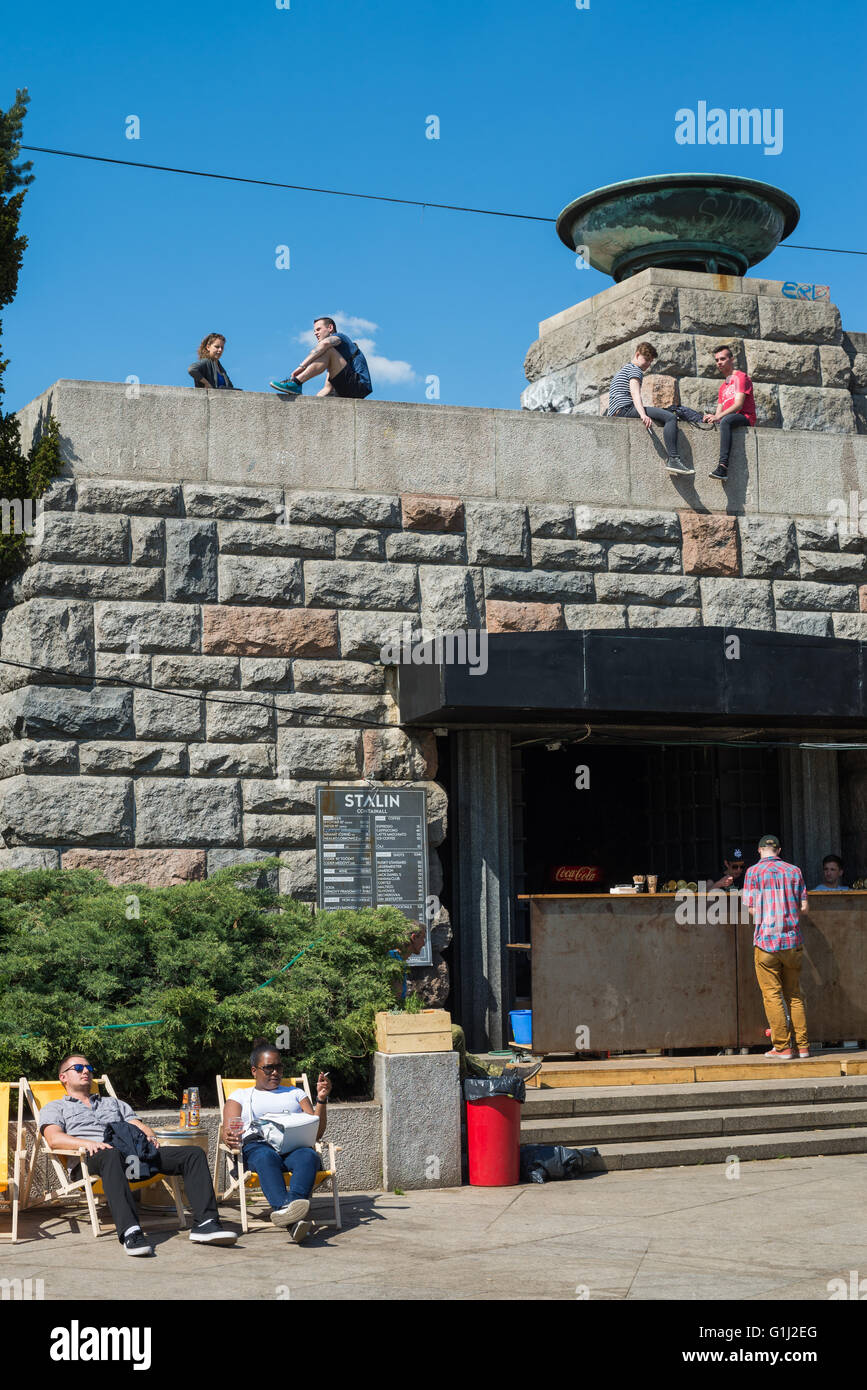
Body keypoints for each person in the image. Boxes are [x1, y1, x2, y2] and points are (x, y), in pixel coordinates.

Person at [39, 1053, 237, 1255]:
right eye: (79, 1069)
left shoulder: (114, 1103)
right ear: (63, 1077)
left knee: (192, 1154)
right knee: (112, 1154)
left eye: (89, 1069)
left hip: (133, 1155)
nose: (86, 1072)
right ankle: (131, 1232)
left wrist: (150, 1137)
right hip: (91, 1159)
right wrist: (88, 1143)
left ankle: (206, 1223)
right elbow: (54, 1138)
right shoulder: (56, 1107)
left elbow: (137, 1125)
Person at [221, 1042, 331, 1244]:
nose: (275, 1072)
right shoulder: (240, 1096)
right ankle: (289, 1214)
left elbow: (316, 1133)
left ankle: (288, 1214)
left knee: (309, 1156)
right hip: (259, 1145)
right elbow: (228, 1128)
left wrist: (321, 1100)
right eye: (268, 1067)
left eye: (279, 1067)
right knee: (266, 1156)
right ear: (254, 1071)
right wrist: (226, 1135)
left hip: (294, 1145)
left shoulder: (295, 1094)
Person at [741, 835, 810, 1060]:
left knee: (772, 995)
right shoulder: (794, 871)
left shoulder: (753, 872)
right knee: (795, 995)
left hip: (766, 942)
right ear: (778, 850)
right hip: (792, 941)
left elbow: (750, 908)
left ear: (759, 850)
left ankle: (782, 1047)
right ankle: (803, 1047)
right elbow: (804, 907)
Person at [607, 342, 709, 477]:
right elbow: (635, 393)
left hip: (615, 411)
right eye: (646, 359)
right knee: (670, 417)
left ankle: (673, 459)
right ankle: (673, 459)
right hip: (625, 409)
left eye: (650, 361)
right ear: (637, 355)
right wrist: (643, 414)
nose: (648, 364)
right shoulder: (635, 369)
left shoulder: (624, 369)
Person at [270, 316, 372, 399]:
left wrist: (302, 366)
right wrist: (311, 404)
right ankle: (296, 385)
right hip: (347, 391)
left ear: (330, 328)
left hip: (359, 386)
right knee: (327, 352)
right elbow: (327, 388)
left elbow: (325, 344)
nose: (315, 333)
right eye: (314, 331)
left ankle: (296, 383)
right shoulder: (336, 361)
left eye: (318, 329)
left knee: (327, 349)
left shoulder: (341, 337)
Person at [702, 344, 756, 482]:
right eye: (717, 360)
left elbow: (739, 404)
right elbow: (718, 412)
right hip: (728, 420)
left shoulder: (740, 377)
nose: (719, 362)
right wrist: (712, 417)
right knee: (710, 420)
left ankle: (723, 467)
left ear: (731, 359)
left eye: (722, 359)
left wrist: (719, 417)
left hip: (744, 417)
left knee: (726, 420)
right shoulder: (722, 387)